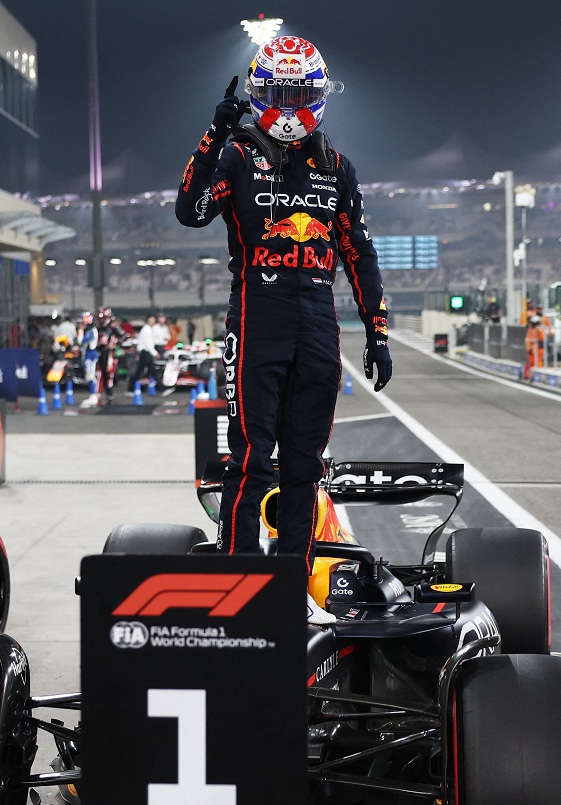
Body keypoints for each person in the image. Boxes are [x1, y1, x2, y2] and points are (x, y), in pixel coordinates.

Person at [175, 35, 391, 625]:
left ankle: (293, 585)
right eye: (280, 92)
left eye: (303, 93)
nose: (292, 105)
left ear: (320, 96)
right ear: (257, 93)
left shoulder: (338, 167)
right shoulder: (237, 156)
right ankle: (241, 587)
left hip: (321, 324)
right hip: (257, 318)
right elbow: (189, 210)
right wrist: (214, 133)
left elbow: (360, 254)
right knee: (250, 460)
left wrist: (377, 332)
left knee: (306, 463)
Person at [127, 314, 158, 393]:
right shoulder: (146, 329)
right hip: (145, 352)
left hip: (146, 352)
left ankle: (159, 386)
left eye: (153, 320)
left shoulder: (149, 329)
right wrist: (154, 353)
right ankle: (131, 387)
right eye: (150, 319)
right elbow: (148, 343)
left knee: (148, 370)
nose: (152, 321)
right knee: (141, 371)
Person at [77, 311, 101, 406]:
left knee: (90, 375)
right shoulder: (91, 330)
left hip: (90, 355)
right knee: (90, 375)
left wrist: (80, 330)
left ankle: (93, 396)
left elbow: (81, 341)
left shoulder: (91, 331)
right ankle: (93, 395)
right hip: (89, 353)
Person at [523, 314, 544, 380]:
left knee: (533, 364)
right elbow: (541, 341)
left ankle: (529, 376)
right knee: (537, 364)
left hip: (533, 350)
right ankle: (535, 377)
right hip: (535, 350)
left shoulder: (531, 330)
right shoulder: (537, 330)